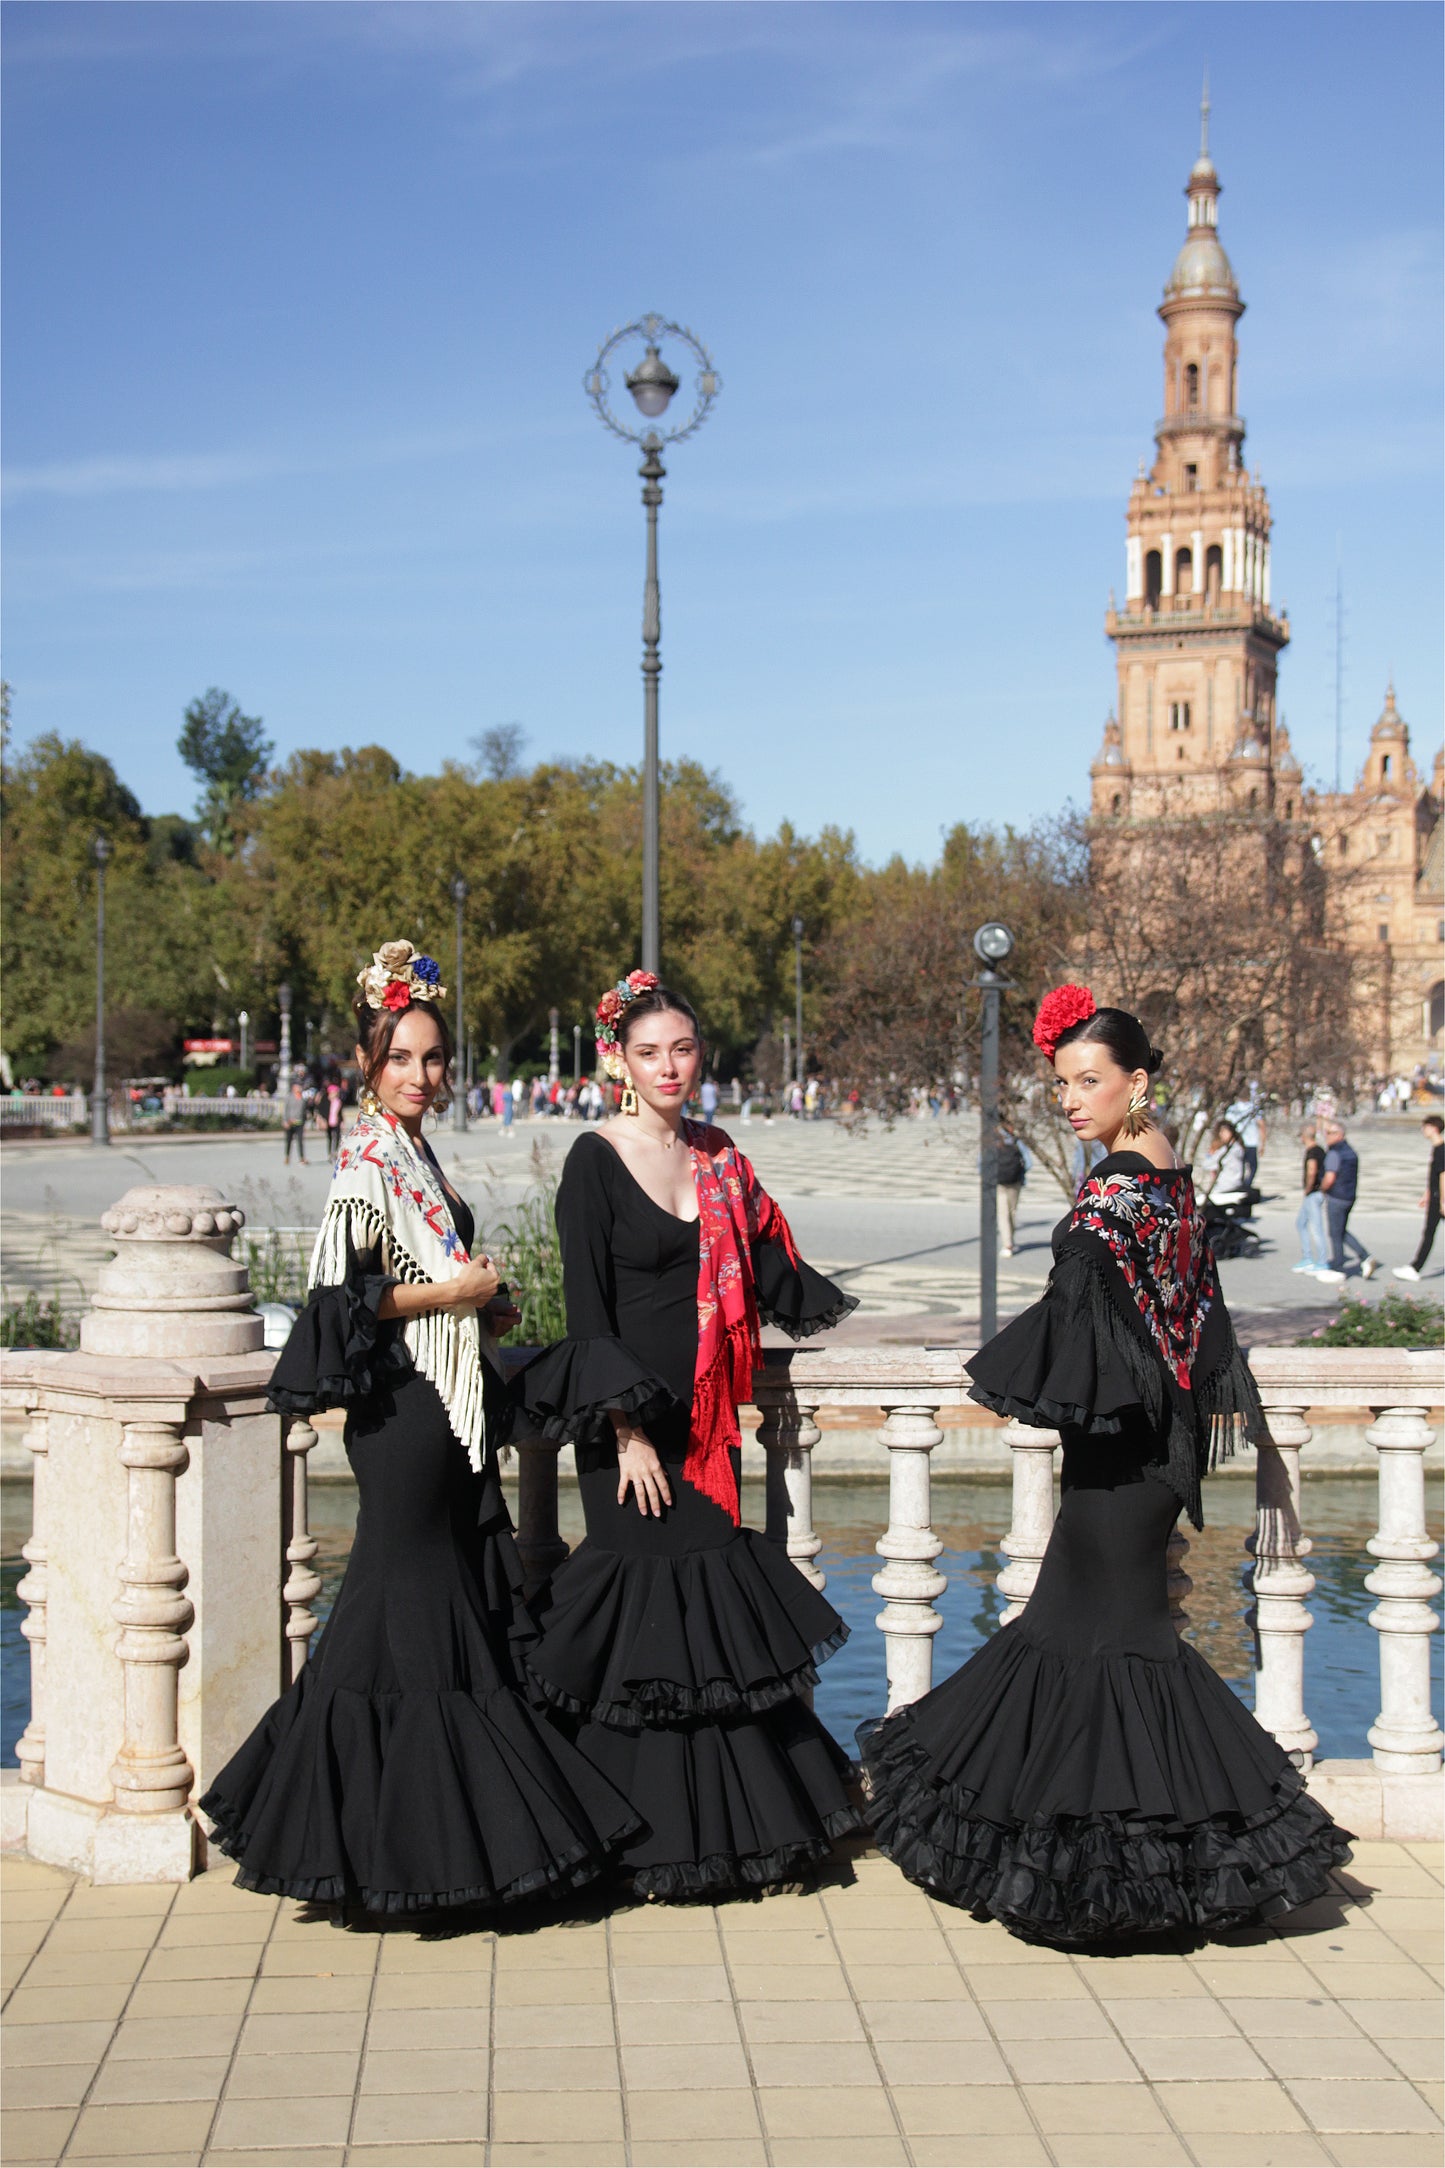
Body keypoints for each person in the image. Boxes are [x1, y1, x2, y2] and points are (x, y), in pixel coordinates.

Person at [858, 983, 1351, 1945]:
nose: (1071, 1100)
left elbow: (1085, 1335)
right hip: (1148, 1457)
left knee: (1117, 1645)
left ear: (1138, 1082)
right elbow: (1196, 1327)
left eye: (1089, 1081)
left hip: (1120, 1460)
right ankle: (1089, 1855)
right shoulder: (1167, 1176)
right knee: (1066, 1633)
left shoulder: (1109, 1192)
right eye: (1060, 1084)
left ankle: (1152, 1861)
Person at [201, 940, 636, 1916]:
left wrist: (479, 1308)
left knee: (436, 1622)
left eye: (434, 1057)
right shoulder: (365, 1155)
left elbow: (403, 1287)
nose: (422, 1074)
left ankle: (429, 1850)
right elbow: (338, 1305)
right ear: (365, 1060)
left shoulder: (412, 1148)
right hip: (400, 1416)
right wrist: (452, 1288)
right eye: (402, 1056)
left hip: (446, 1404)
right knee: (390, 1618)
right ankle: (352, 1834)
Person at [514, 971, 862, 1899]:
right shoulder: (593, 1160)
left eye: (682, 1049)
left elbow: (772, 1265)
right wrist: (624, 1432)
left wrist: (828, 1311)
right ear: (616, 1062)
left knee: (707, 1626)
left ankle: (725, 1834)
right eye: (649, 1051)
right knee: (641, 1629)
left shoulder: (719, 1158)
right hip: (626, 1428)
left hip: (707, 1423)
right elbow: (587, 1316)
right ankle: (620, 1835)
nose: (669, 1066)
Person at [1316, 1120, 1378, 1286]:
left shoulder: (1335, 1153)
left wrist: (1321, 1189)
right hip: (1349, 1196)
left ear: (1339, 1135)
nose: (1326, 1136)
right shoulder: (1350, 1151)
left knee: (1335, 1233)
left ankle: (1338, 1267)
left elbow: (1329, 1178)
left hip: (1337, 1196)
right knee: (1341, 1230)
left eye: (1329, 1133)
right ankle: (1365, 1257)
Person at [1393, 1114, 1445, 1281]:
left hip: (1440, 1199)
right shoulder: (1437, 1148)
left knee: (1429, 1233)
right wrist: (1427, 1193)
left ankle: (1415, 1268)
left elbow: (1444, 1175)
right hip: (1436, 1196)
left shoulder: (1441, 1150)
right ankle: (1414, 1267)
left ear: (1434, 1128)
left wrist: (1443, 1200)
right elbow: (1435, 1176)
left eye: (1425, 1127)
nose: (1423, 1130)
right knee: (1428, 1232)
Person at [1294, 1123, 1329, 1274]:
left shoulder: (1313, 1152)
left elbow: (1312, 1170)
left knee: (1316, 1228)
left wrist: (1308, 1188)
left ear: (1304, 1137)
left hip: (1313, 1193)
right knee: (1300, 1223)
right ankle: (1307, 1257)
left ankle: (1322, 1261)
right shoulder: (1319, 1150)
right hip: (1315, 1193)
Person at [995, 1123, 1030, 1256]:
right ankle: (1010, 1241)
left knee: (1002, 1213)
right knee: (1012, 1212)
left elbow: (982, 1163)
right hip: (1015, 1182)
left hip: (998, 1182)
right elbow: (1028, 1162)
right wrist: (1019, 1173)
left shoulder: (994, 1141)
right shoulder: (1016, 1141)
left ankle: (1007, 1244)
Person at [1203, 1118, 1248, 1200]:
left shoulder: (1232, 1149)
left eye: (1223, 1131)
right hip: (1230, 1184)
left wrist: (1211, 1153)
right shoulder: (1234, 1147)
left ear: (1230, 1132)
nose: (1221, 1134)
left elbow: (1207, 1164)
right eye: (1220, 1132)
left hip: (1227, 1185)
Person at [282, 1073, 307, 1163]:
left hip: (299, 1122)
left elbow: (304, 1112)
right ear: (293, 1087)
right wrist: (285, 1121)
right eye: (297, 1086)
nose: (299, 1088)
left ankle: (302, 1157)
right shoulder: (289, 1097)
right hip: (290, 1122)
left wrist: (304, 1122)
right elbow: (286, 1109)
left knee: (300, 1141)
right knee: (288, 1141)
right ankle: (287, 1156)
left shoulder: (303, 1098)